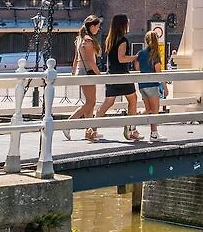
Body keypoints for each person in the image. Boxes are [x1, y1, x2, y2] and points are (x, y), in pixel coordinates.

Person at [94, 14, 142, 142]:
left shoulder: (110, 39)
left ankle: (92, 128)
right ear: (123, 25)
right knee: (133, 99)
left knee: (108, 103)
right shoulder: (123, 40)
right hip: (122, 75)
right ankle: (131, 129)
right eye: (127, 22)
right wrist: (135, 57)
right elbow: (121, 58)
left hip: (111, 74)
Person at [66, 15, 103, 141]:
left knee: (89, 102)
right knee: (91, 102)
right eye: (97, 27)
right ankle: (68, 123)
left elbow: (76, 58)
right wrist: (100, 75)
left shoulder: (79, 39)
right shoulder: (88, 40)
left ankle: (89, 131)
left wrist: (73, 71)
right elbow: (91, 62)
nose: (98, 29)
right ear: (92, 26)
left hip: (81, 71)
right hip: (87, 72)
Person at [137, 29, 164, 142]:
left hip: (142, 85)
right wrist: (164, 86)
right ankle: (154, 134)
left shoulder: (140, 53)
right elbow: (158, 72)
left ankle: (131, 124)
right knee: (154, 110)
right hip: (152, 85)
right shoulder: (155, 54)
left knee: (147, 109)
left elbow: (137, 67)